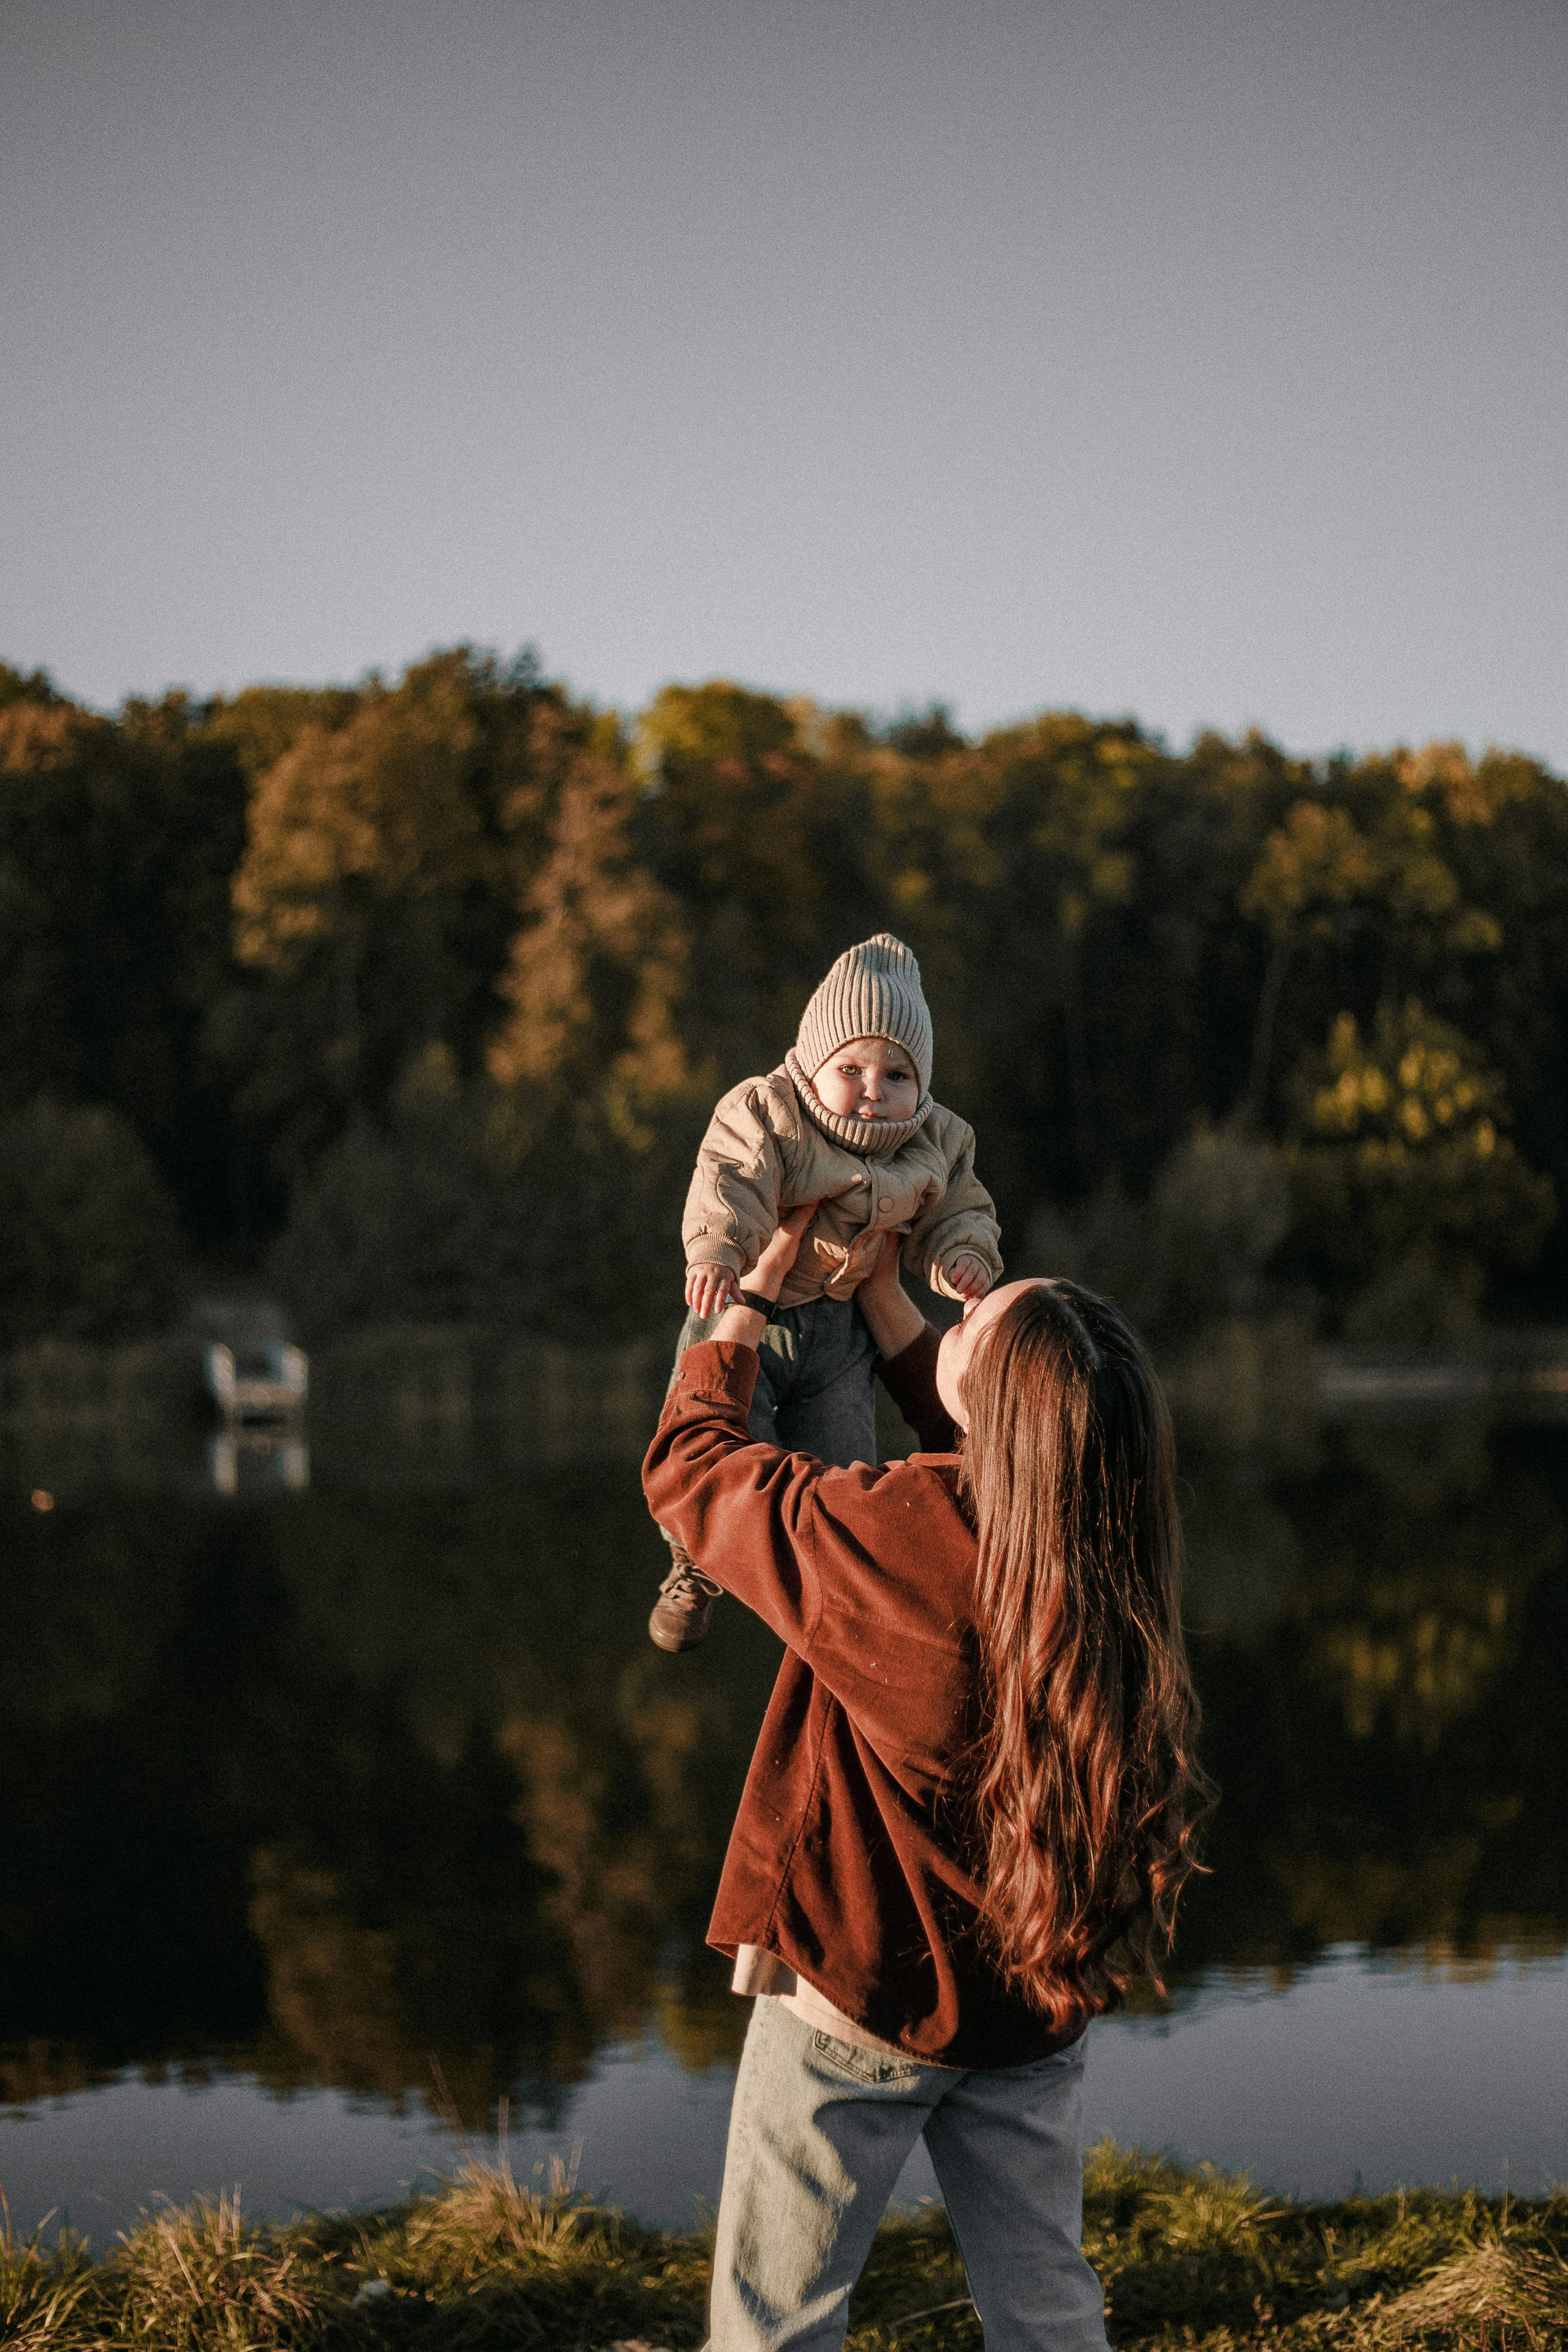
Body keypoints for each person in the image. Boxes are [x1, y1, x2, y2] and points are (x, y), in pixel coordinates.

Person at [642, 1212, 1210, 2352]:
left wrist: (740, 1309)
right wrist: (888, 1296)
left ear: (987, 1407)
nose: (961, 1309)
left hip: (863, 1997)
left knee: (775, 2321)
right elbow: (999, 1443)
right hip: (1034, 2003)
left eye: (974, 1320)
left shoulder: (894, 1540)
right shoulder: (1106, 1553)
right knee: (1046, 2300)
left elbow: (694, 1476)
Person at [649, 932, 1003, 1653]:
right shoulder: (771, 1113)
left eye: (896, 1074)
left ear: (923, 1083)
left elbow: (961, 1209)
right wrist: (720, 1249)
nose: (873, 1090)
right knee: (722, 1439)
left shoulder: (936, 1141)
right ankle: (691, 1557)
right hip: (753, 1311)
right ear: (813, 1063)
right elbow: (729, 1178)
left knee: (845, 1475)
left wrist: (962, 1254)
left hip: (845, 1335)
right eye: (852, 1068)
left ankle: (835, 1599)